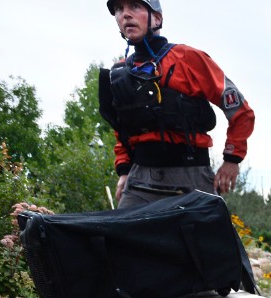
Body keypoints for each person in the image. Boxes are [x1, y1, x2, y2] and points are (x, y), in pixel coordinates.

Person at [100, 0, 255, 208]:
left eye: (135, 7)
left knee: (214, 240)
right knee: (118, 238)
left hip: (191, 179)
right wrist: (124, 171)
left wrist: (232, 159)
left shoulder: (188, 59)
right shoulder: (119, 73)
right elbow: (122, 130)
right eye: (119, 9)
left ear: (157, 18)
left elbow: (240, 111)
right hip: (140, 182)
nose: (125, 14)